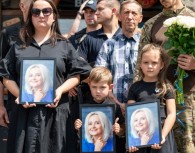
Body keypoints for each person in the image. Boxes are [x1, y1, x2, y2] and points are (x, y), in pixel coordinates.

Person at [0, 0, 92, 153]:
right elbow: (5, 75)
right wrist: (21, 95)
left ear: (54, 16)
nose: (41, 15)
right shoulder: (19, 46)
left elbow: (79, 73)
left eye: (46, 11)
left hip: (56, 115)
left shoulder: (64, 45)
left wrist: (60, 90)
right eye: (36, 12)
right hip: (24, 115)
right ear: (31, 17)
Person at [137, 0, 195, 152]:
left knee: (189, 148)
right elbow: (139, 64)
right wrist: (139, 98)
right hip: (158, 98)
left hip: (187, 99)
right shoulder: (151, 24)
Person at [127, 43, 177, 153]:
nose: (150, 66)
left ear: (162, 65)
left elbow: (171, 114)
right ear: (140, 64)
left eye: (154, 63)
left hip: (161, 138)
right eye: (146, 62)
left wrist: (162, 136)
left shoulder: (166, 87)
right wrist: (132, 141)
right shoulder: (134, 88)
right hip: (140, 140)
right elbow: (131, 115)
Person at [95, 0, 143, 103]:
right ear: (120, 16)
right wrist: (114, 100)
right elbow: (99, 76)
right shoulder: (108, 44)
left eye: (134, 13)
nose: (130, 17)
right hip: (113, 104)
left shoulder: (145, 45)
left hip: (140, 106)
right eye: (126, 12)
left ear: (140, 18)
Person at [74, 66, 125, 152]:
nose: (98, 91)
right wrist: (78, 128)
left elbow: (123, 131)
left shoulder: (114, 106)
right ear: (89, 86)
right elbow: (81, 134)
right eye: (94, 87)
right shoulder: (84, 107)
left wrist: (119, 129)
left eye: (102, 87)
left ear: (110, 87)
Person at [0, 0, 32, 128]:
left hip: (45, 104)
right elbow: (1, 73)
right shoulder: (8, 33)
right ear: (22, 6)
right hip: (16, 104)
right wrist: (0, 106)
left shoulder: (48, 33)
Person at [78, 0, 121, 66]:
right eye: (96, 9)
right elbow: (78, 66)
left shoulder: (128, 37)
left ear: (113, 11)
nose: (96, 13)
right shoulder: (89, 38)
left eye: (100, 9)